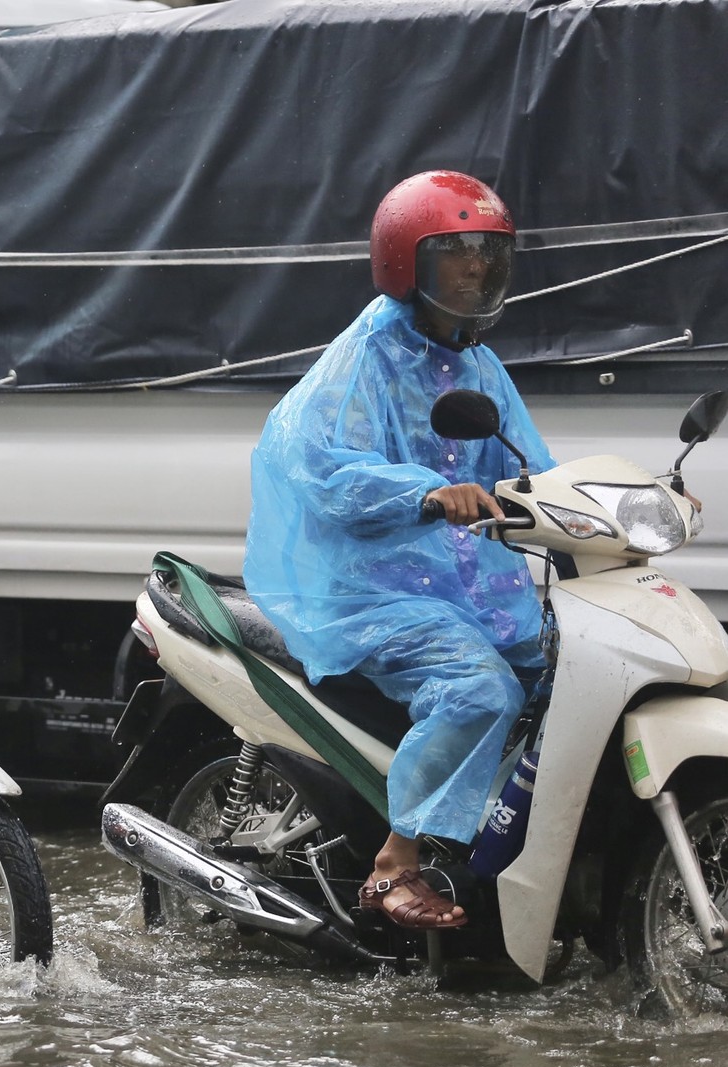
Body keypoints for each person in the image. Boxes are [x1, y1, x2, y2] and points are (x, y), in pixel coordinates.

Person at [245, 170, 556, 930]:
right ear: (404, 264)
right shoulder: (365, 359)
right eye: (457, 255)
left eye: (487, 254)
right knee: (480, 691)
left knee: (569, 679)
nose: (477, 270)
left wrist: (610, 502)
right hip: (372, 591)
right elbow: (322, 466)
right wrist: (420, 493)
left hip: (463, 586)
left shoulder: (477, 364)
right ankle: (398, 859)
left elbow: (534, 467)